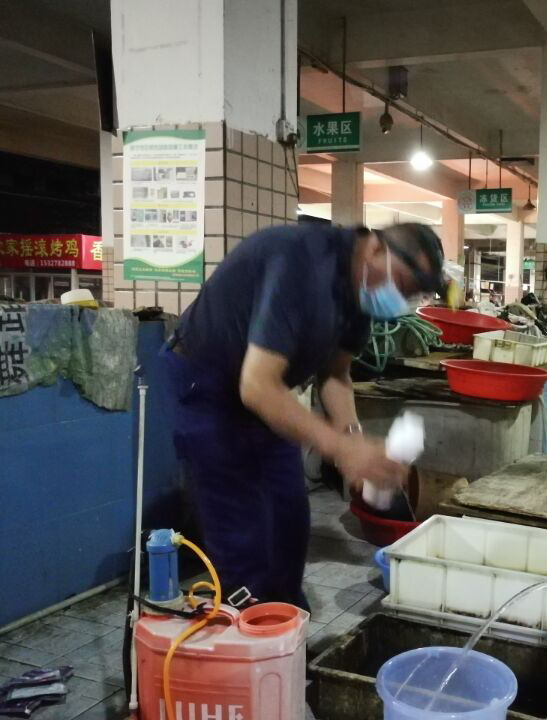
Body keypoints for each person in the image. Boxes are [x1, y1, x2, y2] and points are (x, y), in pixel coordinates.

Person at [162, 222, 446, 609]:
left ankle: (287, 621)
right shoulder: (299, 261)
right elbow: (256, 386)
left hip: (270, 393)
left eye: (410, 294)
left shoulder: (362, 290)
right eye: (401, 284)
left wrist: (353, 442)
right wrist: (341, 449)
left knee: (289, 518)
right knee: (243, 534)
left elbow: (336, 374)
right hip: (209, 388)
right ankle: (252, 626)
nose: (399, 299)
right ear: (376, 249)